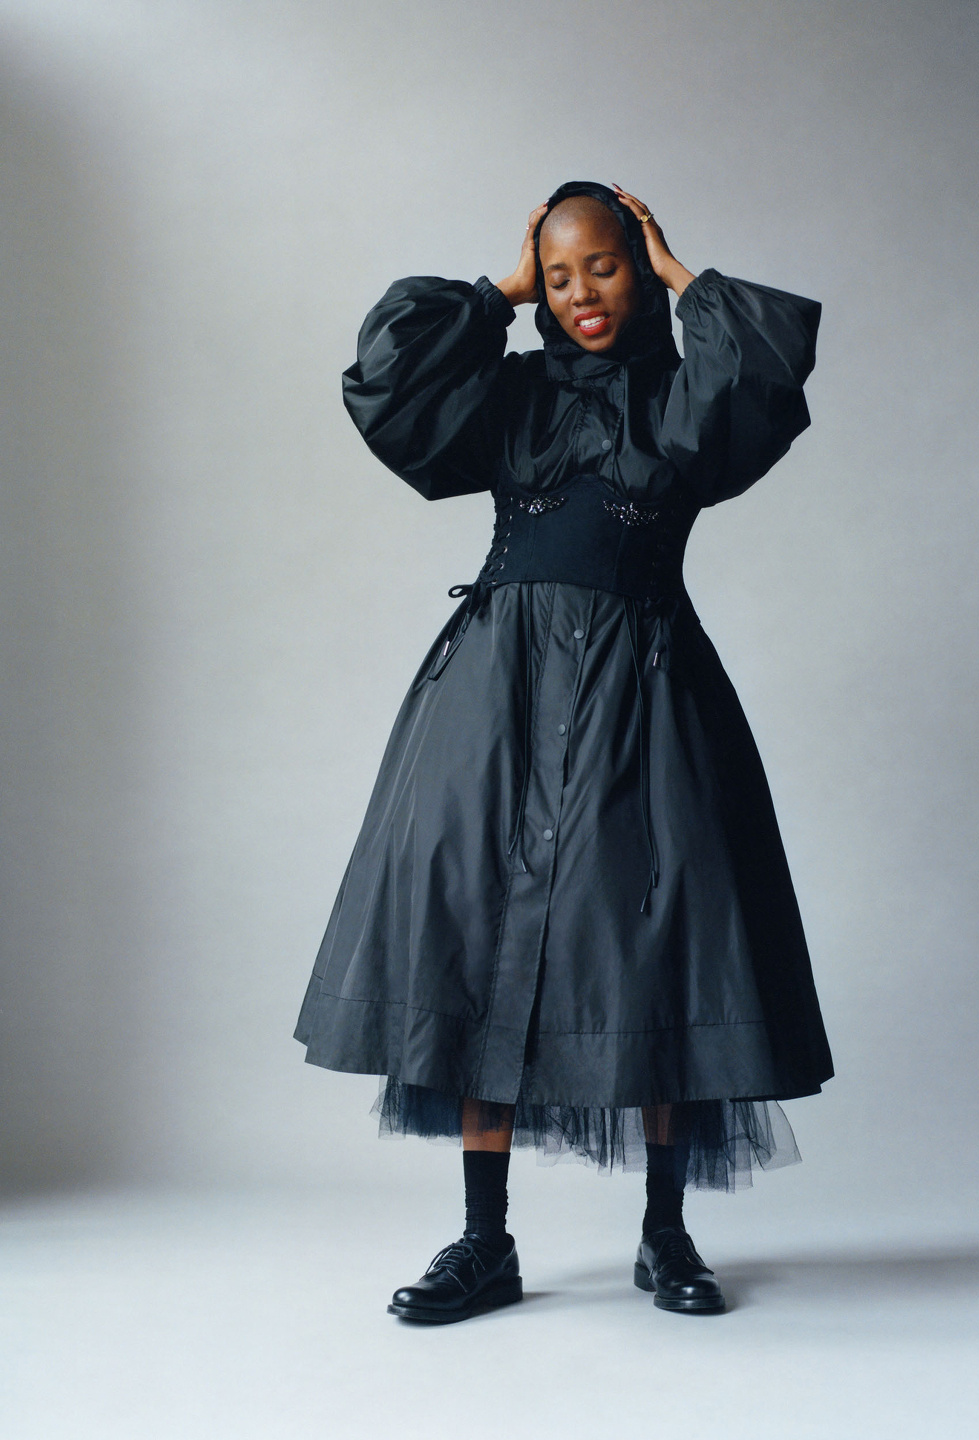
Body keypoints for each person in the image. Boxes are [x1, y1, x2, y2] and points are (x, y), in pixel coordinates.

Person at [295, 179, 833, 1322]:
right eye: (558, 274)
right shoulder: (510, 394)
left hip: (646, 694)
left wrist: (680, 269)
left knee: (661, 938)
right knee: (477, 933)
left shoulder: (684, 397)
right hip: (492, 698)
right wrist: (499, 287)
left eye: (605, 265)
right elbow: (387, 375)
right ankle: (483, 1242)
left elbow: (766, 369)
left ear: (639, 267)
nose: (581, 291)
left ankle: (665, 1235)